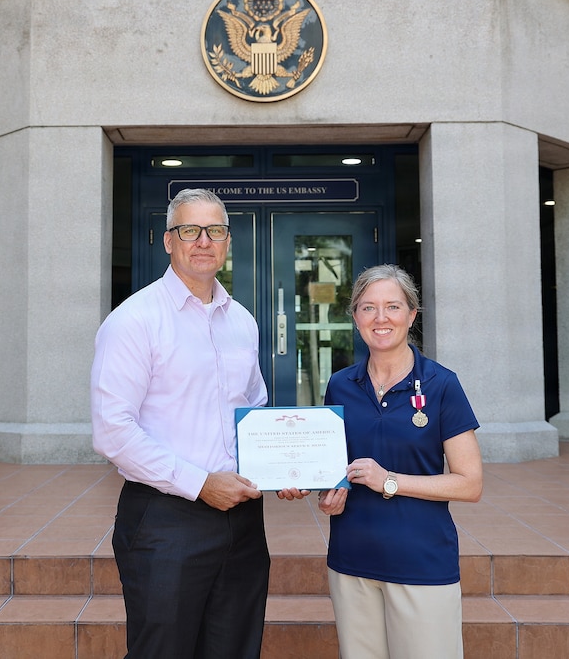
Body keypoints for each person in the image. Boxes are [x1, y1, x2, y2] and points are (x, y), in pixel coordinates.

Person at [90, 188, 270, 659]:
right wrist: (200, 483)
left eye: (215, 231)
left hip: (243, 521)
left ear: (228, 242)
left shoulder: (243, 323)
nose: (203, 241)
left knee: (235, 649)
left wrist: (278, 470)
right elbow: (113, 430)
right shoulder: (134, 321)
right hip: (166, 520)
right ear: (168, 240)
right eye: (190, 230)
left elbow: (253, 410)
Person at [311, 264, 483, 659]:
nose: (381, 318)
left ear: (412, 314)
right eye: (368, 308)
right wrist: (330, 489)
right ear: (355, 317)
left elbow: (469, 483)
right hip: (351, 561)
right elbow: (333, 468)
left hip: (421, 563)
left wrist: (389, 480)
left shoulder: (442, 384)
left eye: (392, 306)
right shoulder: (340, 385)